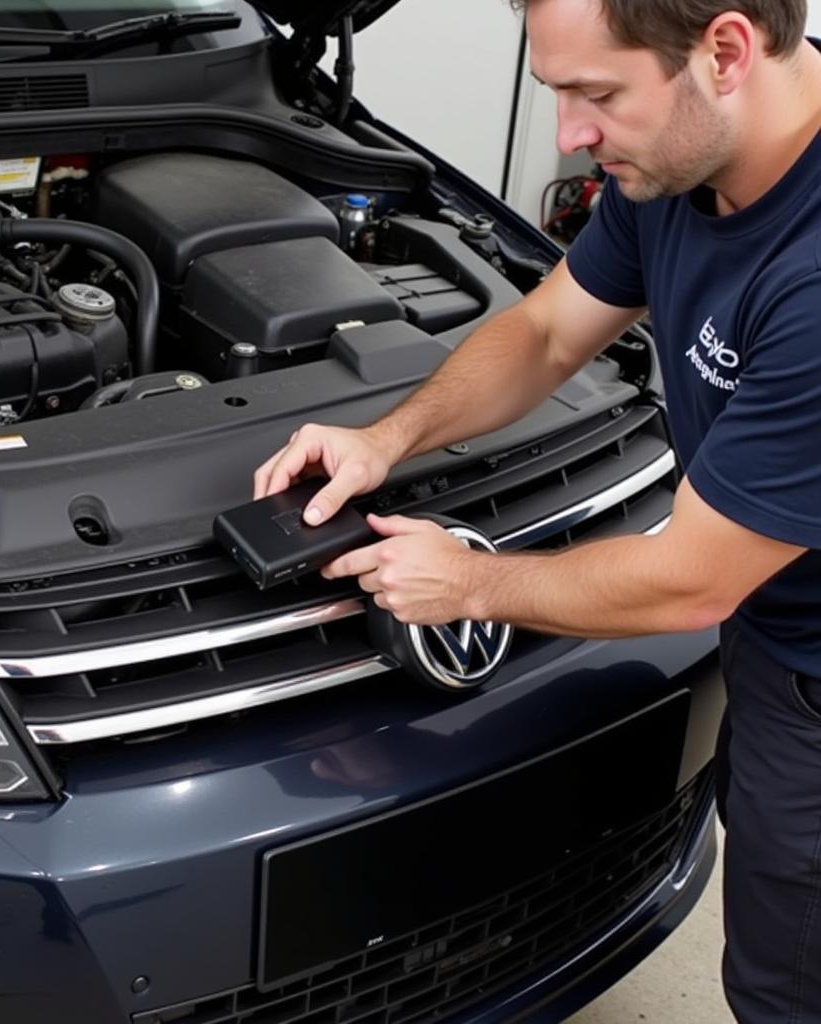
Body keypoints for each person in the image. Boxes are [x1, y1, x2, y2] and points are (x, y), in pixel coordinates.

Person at [253, 1, 821, 1020]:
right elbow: (550, 331)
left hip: (807, 675)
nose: (569, 135)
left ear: (725, 52)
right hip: (769, 612)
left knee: (790, 974)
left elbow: (692, 577)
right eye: (555, 90)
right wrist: (384, 440)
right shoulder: (685, 160)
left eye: (594, 94)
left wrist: (468, 582)